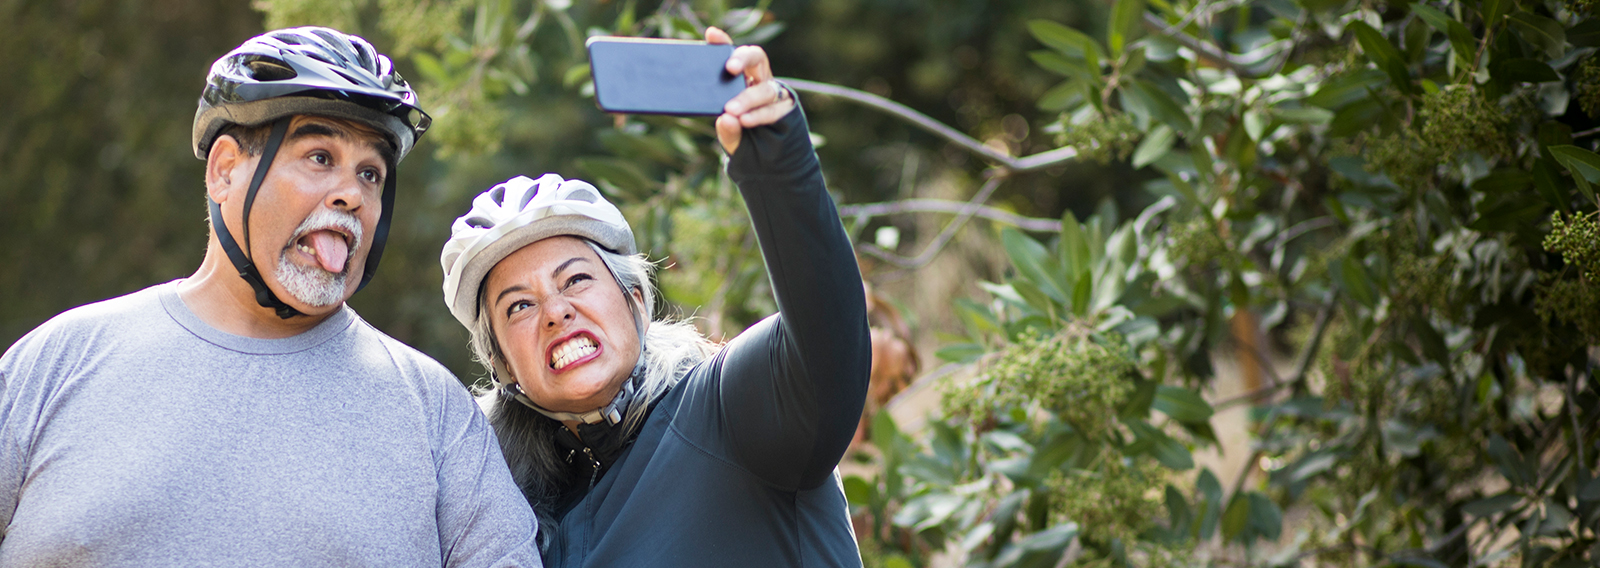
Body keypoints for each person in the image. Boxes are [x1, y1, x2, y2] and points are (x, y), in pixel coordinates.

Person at [0, 27, 540, 566]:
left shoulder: (435, 413)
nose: (351, 194)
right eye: (320, 157)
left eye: (370, 173)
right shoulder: (56, 363)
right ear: (225, 170)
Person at [438, 27, 870, 566]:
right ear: (504, 365)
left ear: (637, 301)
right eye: (519, 306)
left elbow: (829, 340)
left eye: (575, 280)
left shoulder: (731, 410)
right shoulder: (509, 523)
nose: (555, 312)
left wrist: (777, 163)